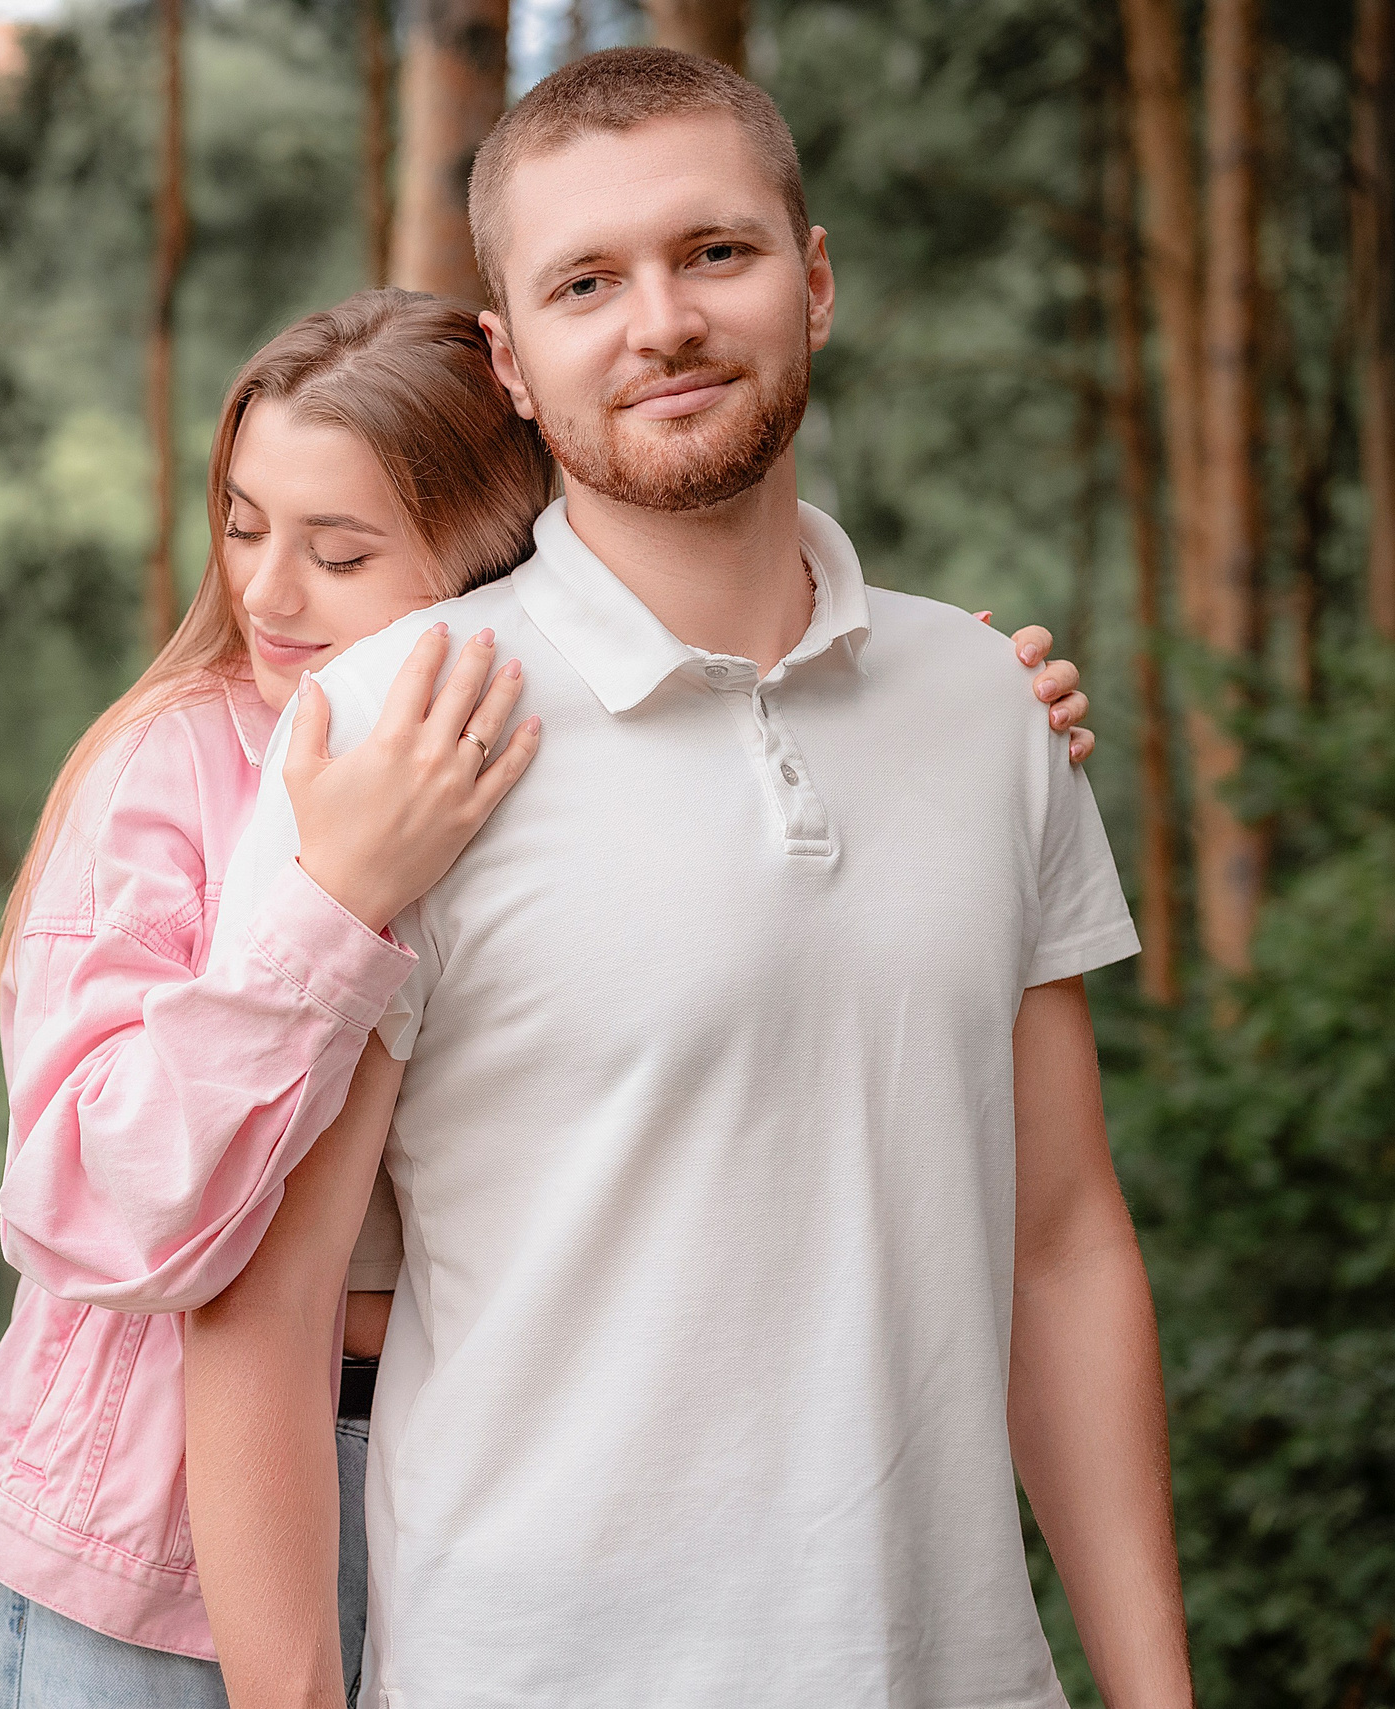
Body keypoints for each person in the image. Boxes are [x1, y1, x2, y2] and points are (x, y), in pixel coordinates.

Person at [0, 289, 1101, 1703]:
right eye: (242, 524)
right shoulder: (170, 769)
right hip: (152, 1540)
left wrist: (937, 707)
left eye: (339, 549)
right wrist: (330, 898)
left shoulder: (584, 748)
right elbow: (94, 1214)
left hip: (488, 1520)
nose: (267, 592)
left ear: (498, 552)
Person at [186, 47, 1189, 1709]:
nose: (659, 322)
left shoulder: (986, 707)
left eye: (713, 253)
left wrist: (1157, 1691)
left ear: (815, 282)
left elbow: (1066, 1241)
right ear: (509, 360)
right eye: (587, 281)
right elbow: (259, 1307)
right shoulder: (392, 733)